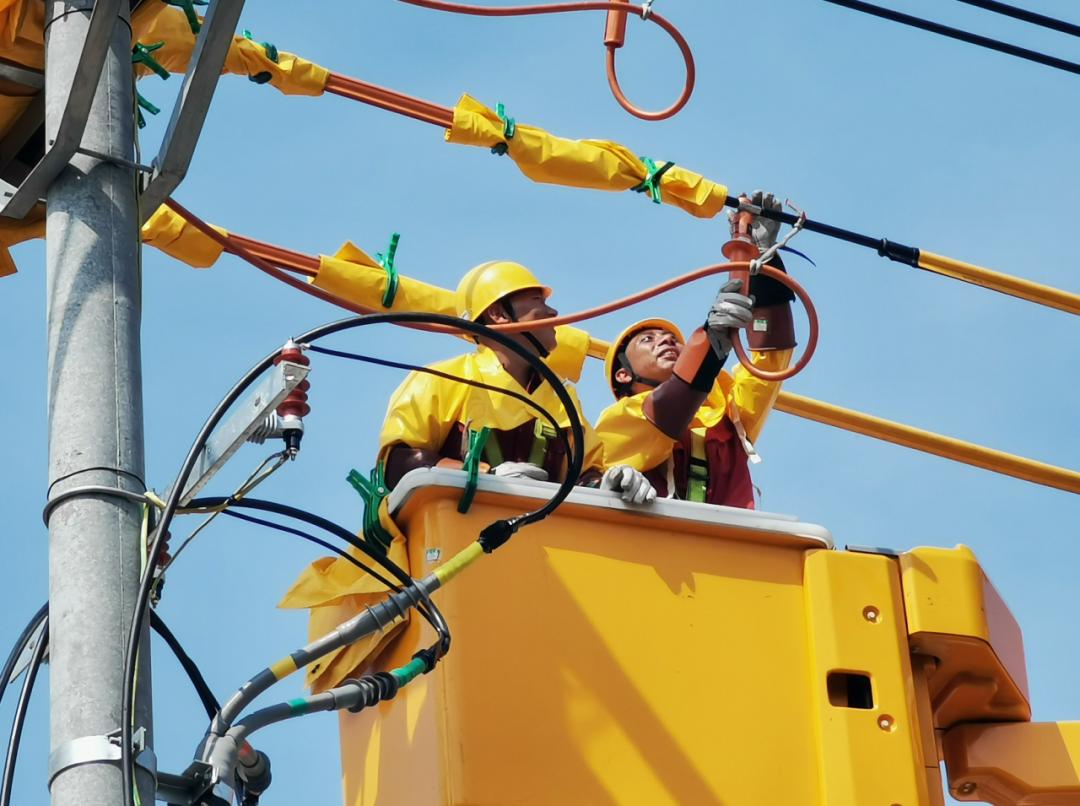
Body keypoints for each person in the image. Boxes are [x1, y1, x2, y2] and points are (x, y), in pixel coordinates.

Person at [380, 259, 656, 503]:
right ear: (499, 314)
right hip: (459, 538)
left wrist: (608, 484)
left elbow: (585, 473)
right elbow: (398, 464)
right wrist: (487, 476)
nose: (553, 313)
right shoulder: (441, 380)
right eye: (538, 302)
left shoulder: (562, 398)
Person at [595, 192, 796, 508]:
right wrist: (713, 338)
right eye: (648, 340)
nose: (665, 341)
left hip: (730, 550)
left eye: (672, 338)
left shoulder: (729, 419)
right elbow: (668, 410)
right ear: (623, 374)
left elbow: (771, 359)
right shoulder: (620, 421)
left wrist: (763, 263)